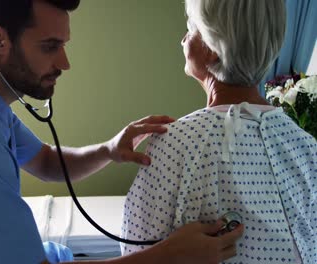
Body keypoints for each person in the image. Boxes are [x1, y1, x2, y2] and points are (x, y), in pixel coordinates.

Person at [0, 0, 243, 263]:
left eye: (63, 45)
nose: (64, 63)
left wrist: (109, 149)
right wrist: (170, 257)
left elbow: (47, 163)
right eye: (50, 47)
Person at [121, 0, 317, 263]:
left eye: (190, 29)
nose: (182, 39)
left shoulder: (173, 144)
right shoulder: (305, 146)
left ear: (213, 49)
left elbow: (135, 250)